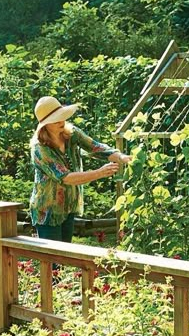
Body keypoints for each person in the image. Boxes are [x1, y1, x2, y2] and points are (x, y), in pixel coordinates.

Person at [29, 95, 131, 243]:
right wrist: (99, 173)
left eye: (61, 116)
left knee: (65, 258)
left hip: (68, 207)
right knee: (53, 260)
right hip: (47, 212)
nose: (61, 121)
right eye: (55, 119)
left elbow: (95, 147)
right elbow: (65, 177)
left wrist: (121, 157)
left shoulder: (71, 133)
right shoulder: (40, 149)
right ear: (45, 125)